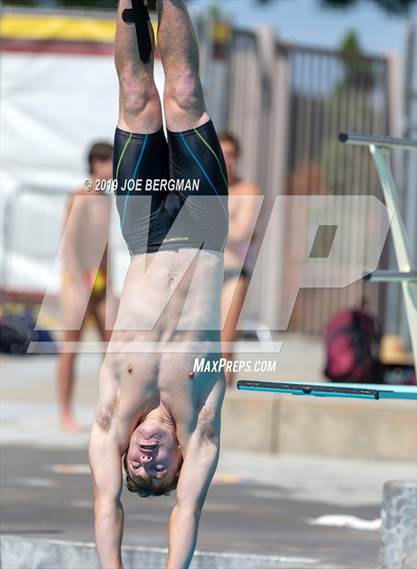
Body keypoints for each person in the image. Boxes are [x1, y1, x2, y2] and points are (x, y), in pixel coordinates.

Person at [89, 2, 228, 569]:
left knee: (136, 95)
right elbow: (186, 512)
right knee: (186, 91)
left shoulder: (113, 415)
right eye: (159, 470)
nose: (146, 460)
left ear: (123, 456)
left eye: (135, 468)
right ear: (180, 463)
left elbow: (105, 505)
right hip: (204, 225)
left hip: (144, 231)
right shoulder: (201, 420)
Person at [58, 142, 116, 432]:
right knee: (71, 347)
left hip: (100, 283)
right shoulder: (79, 196)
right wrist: (80, 280)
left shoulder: (106, 199)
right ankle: (65, 411)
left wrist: (108, 283)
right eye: (110, 164)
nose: (114, 171)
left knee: (112, 345)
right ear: (96, 163)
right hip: (77, 282)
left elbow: (105, 248)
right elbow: (68, 245)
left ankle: (108, 408)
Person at [219, 132, 260, 386]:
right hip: (202, 275)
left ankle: (225, 406)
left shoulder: (248, 191)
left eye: (231, 154)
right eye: (221, 154)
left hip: (232, 275)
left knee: (225, 345)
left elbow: (242, 232)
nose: (226, 160)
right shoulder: (202, 186)